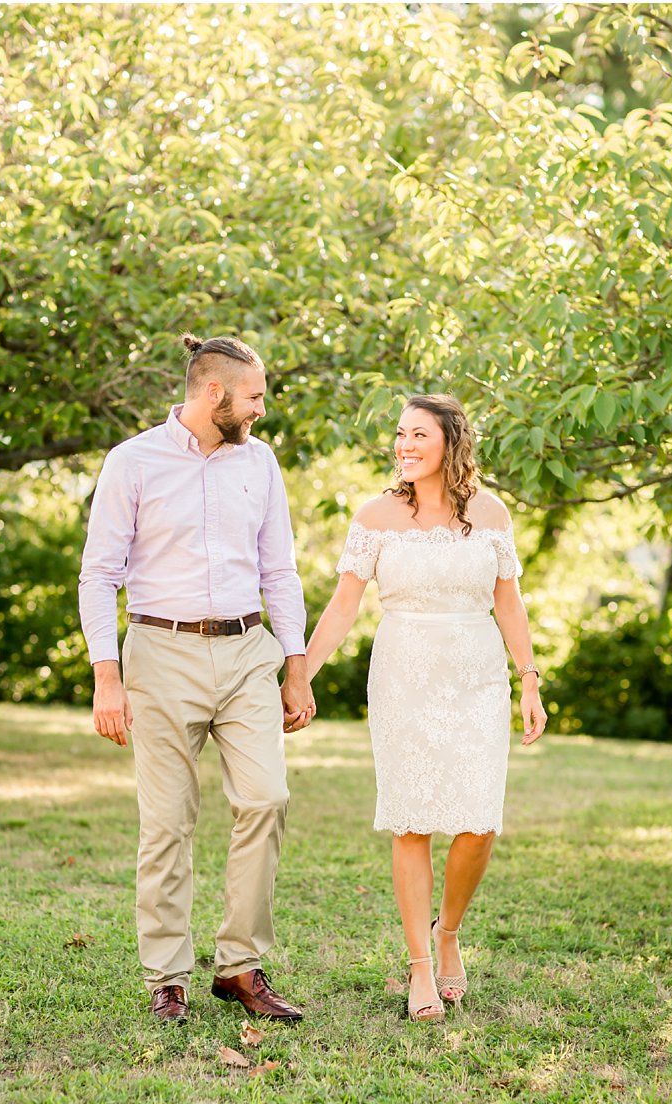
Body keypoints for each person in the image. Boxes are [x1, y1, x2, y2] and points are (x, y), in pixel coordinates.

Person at [79, 333, 315, 1025]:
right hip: (160, 651)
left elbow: (281, 570)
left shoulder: (260, 463)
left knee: (267, 797)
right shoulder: (133, 462)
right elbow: (100, 574)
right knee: (167, 823)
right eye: (255, 397)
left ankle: (239, 965)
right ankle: (167, 977)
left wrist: (295, 666)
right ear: (215, 393)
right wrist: (106, 676)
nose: (261, 411)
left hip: (247, 651)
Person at [304, 392, 546, 1023]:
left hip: (477, 673)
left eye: (420, 436)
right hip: (403, 670)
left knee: (479, 822)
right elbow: (344, 606)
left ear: (450, 444)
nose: (406, 445)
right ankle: (419, 967)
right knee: (411, 820)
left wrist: (530, 678)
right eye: (401, 435)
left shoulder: (490, 513)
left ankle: (449, 932)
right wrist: (300, 670)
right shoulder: (376, 515)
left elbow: (509, 604)